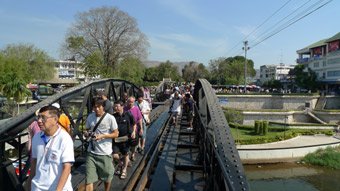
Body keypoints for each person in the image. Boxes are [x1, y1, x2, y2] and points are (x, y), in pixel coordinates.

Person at [28, 105, 74, 191]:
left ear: (55, 119)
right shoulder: (37, 137)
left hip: (58, 188)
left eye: (43, 118)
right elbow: (34, 163)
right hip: (37, 187)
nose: (39, 121)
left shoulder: (64, 138)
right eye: (38, 117)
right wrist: (28, 185)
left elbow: (67, 168)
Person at [84, 97, 119, 191]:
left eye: (99, 107)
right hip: (91, 152)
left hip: (104, 153)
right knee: (89, 180)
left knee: (107, 177)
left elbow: (116, 134)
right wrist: (87, 133)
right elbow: (86, 129)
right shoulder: (90, 116)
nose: (96, 109)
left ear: (103, 107)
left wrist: (102, 136)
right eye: (95, 107)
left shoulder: (110, 118)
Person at [112, 100, 135, 179]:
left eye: (117, 106)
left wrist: (134, 132)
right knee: (114, 155)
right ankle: (121, 163)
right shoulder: (113, 116)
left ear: (122, 106)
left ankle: (124, 170)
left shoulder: (128, 115)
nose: (115, 108)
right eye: (115, 106)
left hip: (125, 138)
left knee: (125, 154)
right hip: (116, 139)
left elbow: (134, 123)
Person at [124, 96, 143, 161]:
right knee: (126, 143)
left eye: (132, 102)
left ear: (134, 102)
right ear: (127, 101)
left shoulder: (136, 109)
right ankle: (127, 157)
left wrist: (141, 128)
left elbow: (140, 119)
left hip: (135, 129)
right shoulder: (124, 109)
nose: (130, 103)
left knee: (134, 144)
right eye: (129, 102)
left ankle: (132, 154)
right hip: (126, 129)